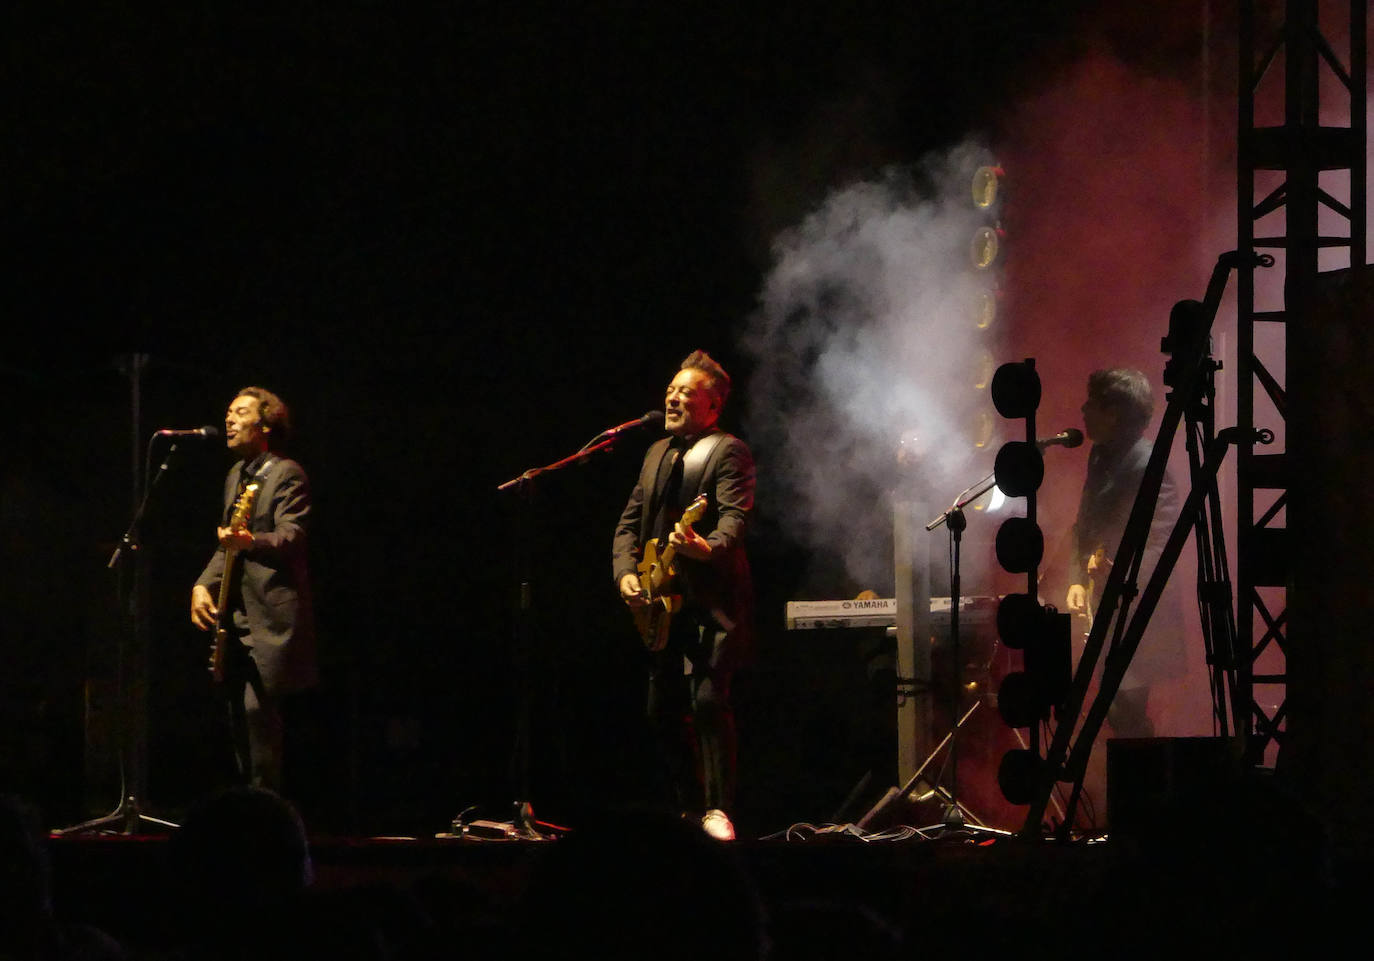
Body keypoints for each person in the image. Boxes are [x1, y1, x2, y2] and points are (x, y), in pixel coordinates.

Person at [612, 350, 755, 841]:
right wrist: (626, 574)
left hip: (712, 602)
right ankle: (687, 809)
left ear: (712, 407)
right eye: (671, 389)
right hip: (661, 603)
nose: (672, 397)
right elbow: (629, 523)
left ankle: (718, 809)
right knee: (660, 709)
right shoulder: (655, 453)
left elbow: (735, 518)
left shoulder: (726, 451)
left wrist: (705, 546)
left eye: (686, 392)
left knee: (710, 701)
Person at [191, 387, 316, 791]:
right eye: (227, 412)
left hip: (268, 622)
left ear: (264, 424)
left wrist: (251, 541)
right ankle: (250, 812)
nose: (228, 419)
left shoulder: (285, 472)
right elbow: (226, 543)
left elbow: (293, 536)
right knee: (237, 725)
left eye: (239, 413)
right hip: (234, 620)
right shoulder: (235, 477)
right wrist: (201, 585)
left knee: (260, 722)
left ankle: (268, 820)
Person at [1064, 368, 1184, 738]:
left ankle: (1146, 787)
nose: (1082, 410)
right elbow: (1084, 525)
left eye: (1091, 404)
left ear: (1114, 411)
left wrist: (1119, 577)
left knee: (1126, 710)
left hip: (1135, 611)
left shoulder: (1150, 464)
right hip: (1105, 600)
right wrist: (1078, 579)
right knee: (1116, 709)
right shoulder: (1100, 455)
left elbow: (1160, 543)